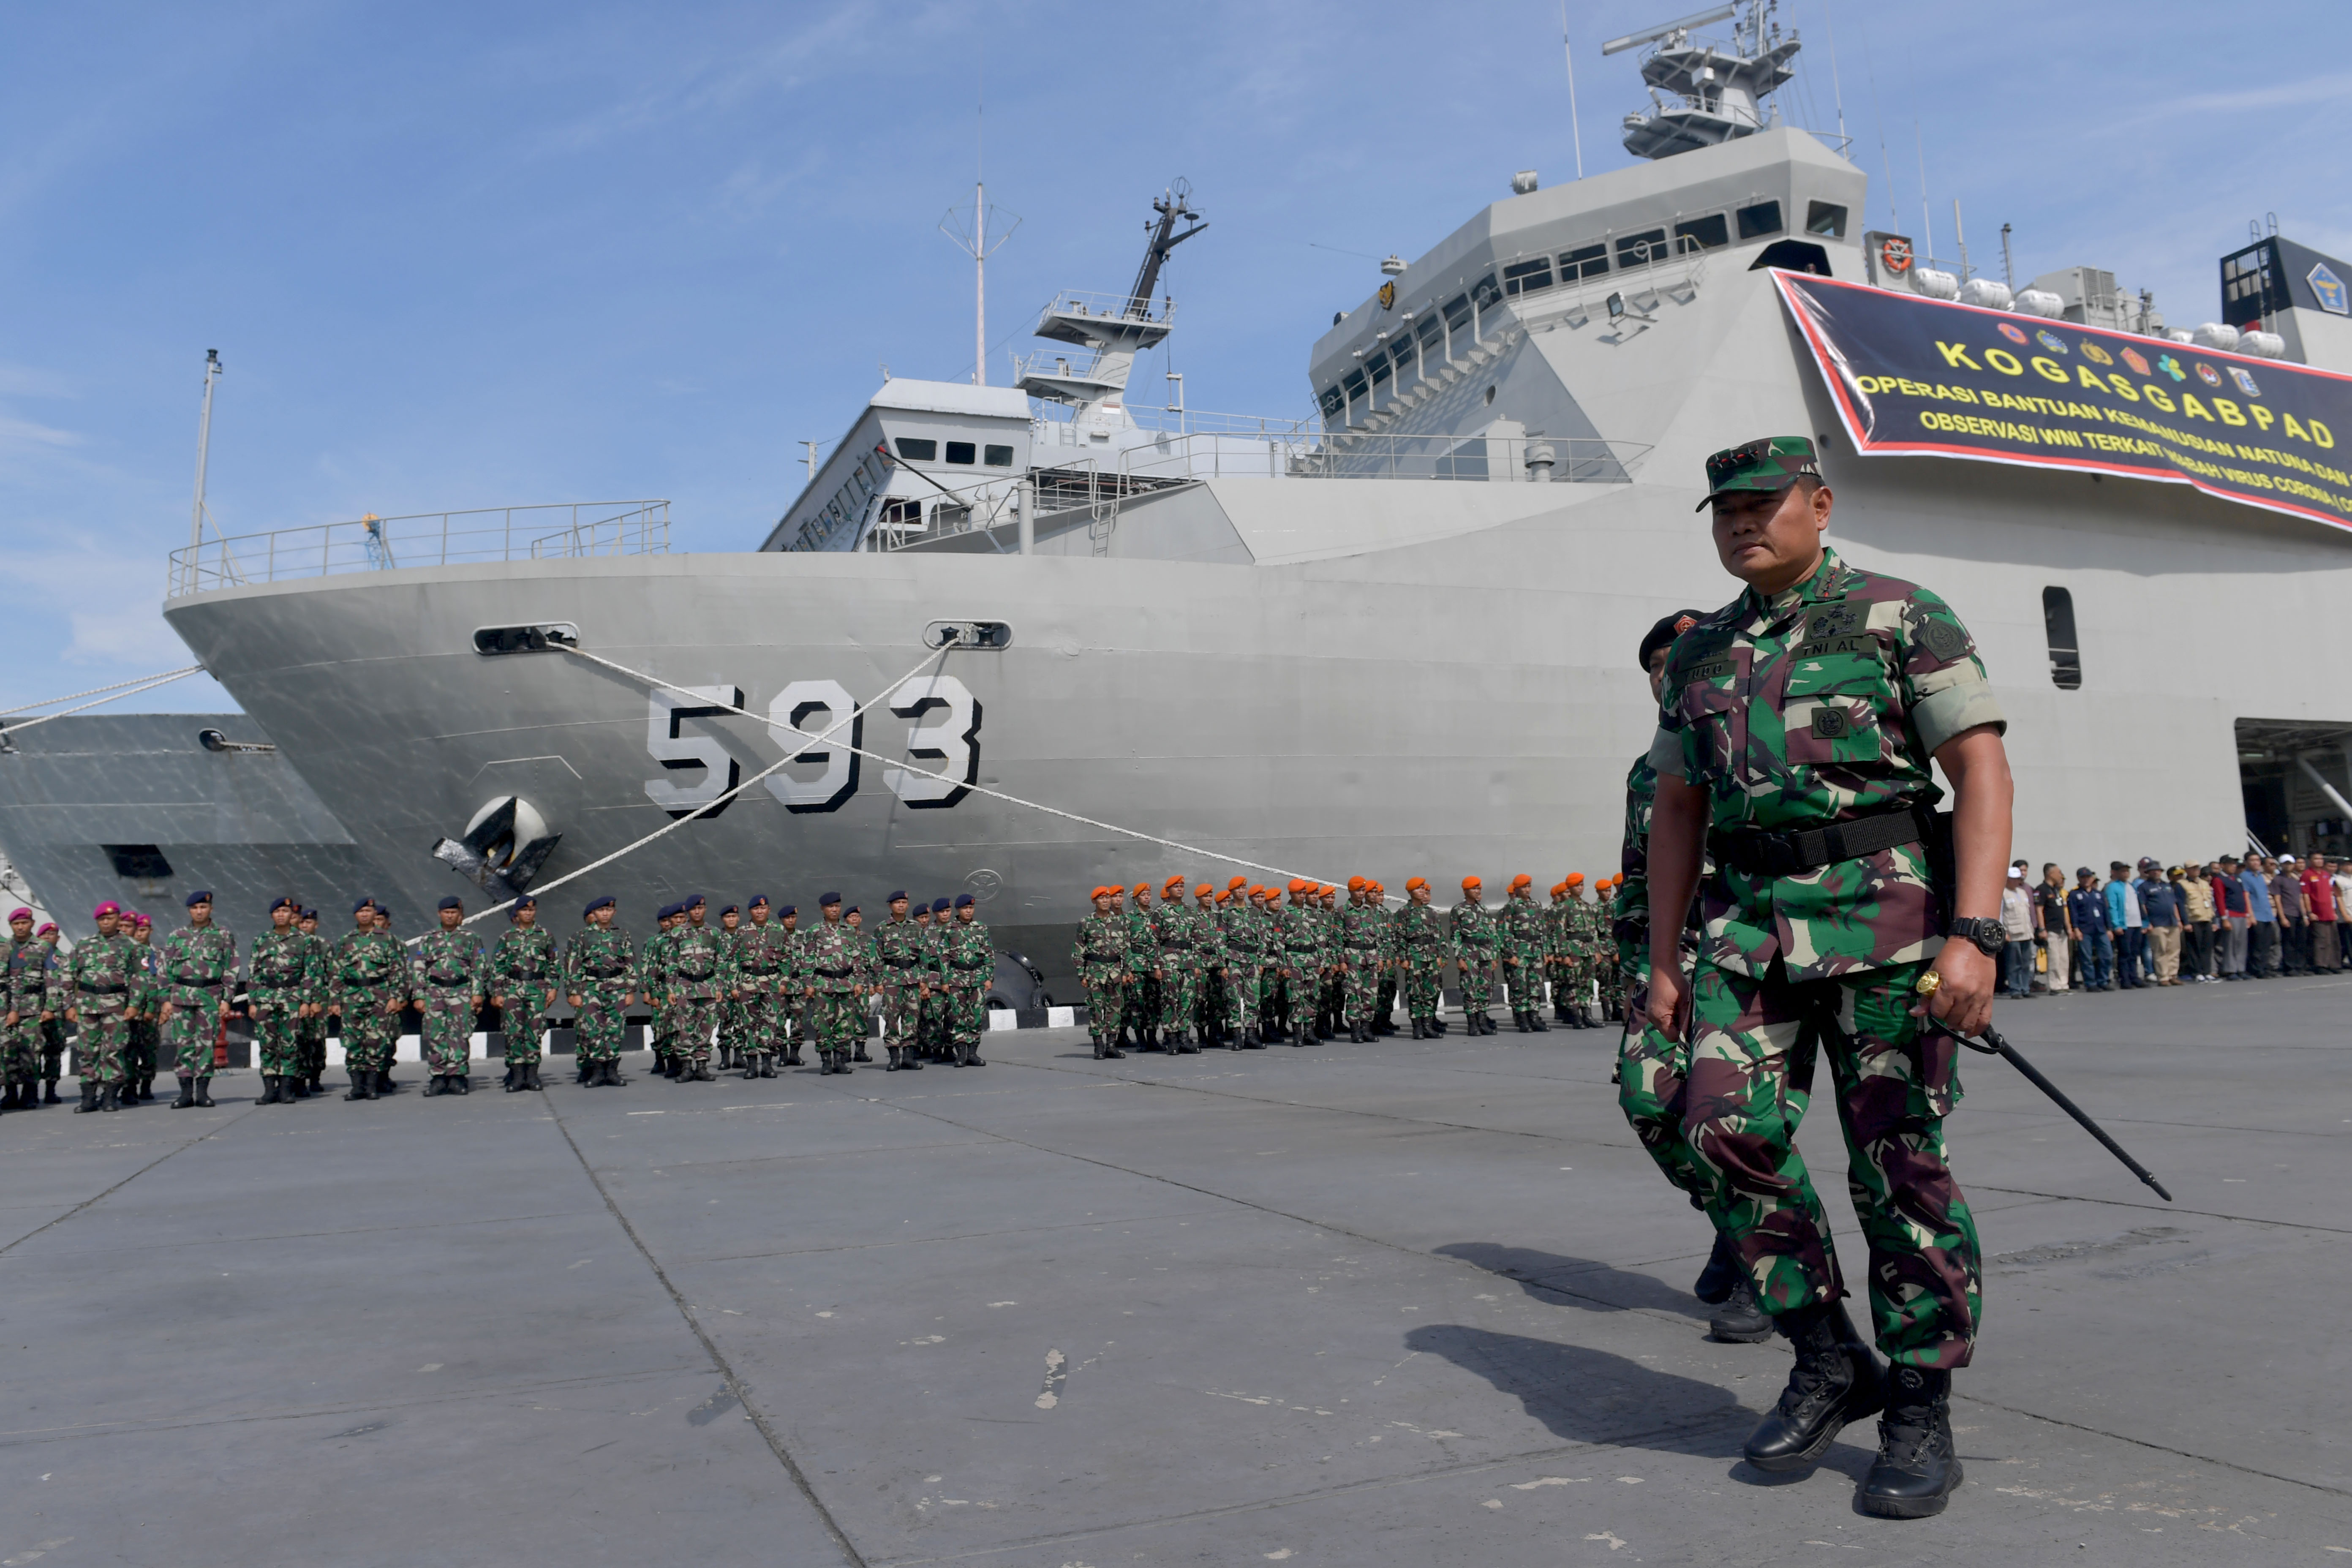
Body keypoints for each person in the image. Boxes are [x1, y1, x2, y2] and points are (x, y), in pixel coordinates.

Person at [1644, 436, 2007, 1517]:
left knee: (1897, 1169)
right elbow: (1675, 809)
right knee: (1711, 1128)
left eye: (1763, 504)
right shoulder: (1700, 653)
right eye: (1723, 510)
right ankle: (1823, 1350)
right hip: (1748, 932)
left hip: (1888, 929)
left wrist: (1975, 932)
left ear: (1819, 503)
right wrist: (1663, 960)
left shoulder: (1901, 614)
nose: (1741, 523)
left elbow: (1977, 764)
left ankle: (1917, 1398)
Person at [1613, 606, 1769, 1343]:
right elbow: (1635, 877)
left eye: (1674, 663)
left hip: (1745, 959)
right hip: (1668, 969)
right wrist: (1637, 966)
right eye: (1653, 667)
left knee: (1733, 1116)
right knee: (1648, 1101)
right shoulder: (1646, 773)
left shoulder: (1756, 745)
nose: (1661, 676)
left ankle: (1759, 1265)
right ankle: (1727, 1217)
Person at [157, 890, 237, 1108]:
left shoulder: (222, 935)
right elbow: (166, 970)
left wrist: (227, 999)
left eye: (203, 907)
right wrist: (166, 999)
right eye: (195, 908)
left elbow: (231, 968)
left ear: (211, 909)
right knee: (184, 1046)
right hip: (181, 998)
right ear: (190, 911)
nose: (199, 912)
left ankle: (202, 1093)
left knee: (206, 1046)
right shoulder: (177, 936)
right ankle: (185, 1094)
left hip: (209, 997)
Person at [67, 904, 144, 1112]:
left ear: (118, 919)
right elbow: (68, 976)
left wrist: (135, 1005)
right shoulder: (83, 945)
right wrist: (68, 1006)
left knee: (114, 1050)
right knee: (87, 1051)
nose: (107, 923)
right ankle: (88, 1098)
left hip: (116, 1005)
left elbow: (140, 977)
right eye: (102, 919)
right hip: (87, 1005)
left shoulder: (131, 945)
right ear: (97, 921)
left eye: (111, 919)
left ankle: (110, 1097)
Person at [247, 897, 319, 1104]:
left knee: (290, 1044)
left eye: (285, 912)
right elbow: (254, 972)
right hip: (265, 998)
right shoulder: (261, 940)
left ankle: (287, 1089)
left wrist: (306, 1001)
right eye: (277, 912)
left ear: (292, 916)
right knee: (267, 1044)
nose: (281, 915)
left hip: (292, 997)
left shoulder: (303, 940)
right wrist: (252, 1002)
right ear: (272, 915)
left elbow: (310, 972)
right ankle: (270, 1090)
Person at [411, 896, 485, 1094]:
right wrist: (419, 995)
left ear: (459, 915)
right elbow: (419, 968)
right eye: (446, 913)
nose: (450, 916)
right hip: (435, 992)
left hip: (461, 991)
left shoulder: (471, 938)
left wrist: (477, 993)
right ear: (440, 914)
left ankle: (457, 1076)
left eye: (454, 913)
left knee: (459, 1034)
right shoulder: (428, 938)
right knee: (435, 1034)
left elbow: (479, 967)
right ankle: (438, 1077)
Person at [563, 896, 638, 1086]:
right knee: (594, 1030)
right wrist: (574, 992)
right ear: (594, 914)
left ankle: (612, 1071)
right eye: (601, 911)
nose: (605, 914)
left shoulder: (622, 935)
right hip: (591, 988)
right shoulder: (581, 937)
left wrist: (631, 990)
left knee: (616, 1030)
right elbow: (573, 965)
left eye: (609, 910)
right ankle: (597, 1071)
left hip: (617, 986)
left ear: (614, 912)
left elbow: (630, 963)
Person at [489, 895, 557, 1090]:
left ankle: (533, 1076)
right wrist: (498, 992)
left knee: (534, 1031)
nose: (528, 913)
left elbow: (554, 964)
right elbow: (498, 966)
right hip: (513, 989)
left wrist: (553, 988)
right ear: (517, 913)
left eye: (531, 910)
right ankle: (518, 1076)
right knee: (514, 1033)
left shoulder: (545, 935)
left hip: (537, 988)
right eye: (524, 910)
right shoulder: (507, 938)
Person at [1, 907, 57, 1111]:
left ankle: (30, 1094)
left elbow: (51, 979)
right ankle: (11, 1094)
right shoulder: (6, 947)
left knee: (31, 1051)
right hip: (8, 1008)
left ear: (32, 924)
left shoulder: (43, 948)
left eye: (24, 923)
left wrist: (50, 1007)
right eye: (16, 924)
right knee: (9, 1052)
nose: (20, 927)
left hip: (34, 1007)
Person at [1073, 887, 1132, 1059]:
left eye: (1108, 898)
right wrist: (1081, 975)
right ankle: (1099, 1046)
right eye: (1102, 899)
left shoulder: (1120, 922)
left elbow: (1126, 949)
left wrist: (1126, 971)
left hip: (1115, 971)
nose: (1106, 901)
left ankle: (1112, 1045)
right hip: (1095, 972)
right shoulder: (1086, 923)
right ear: (1094, 902)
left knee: (1115, 1009)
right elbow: (1078, 951)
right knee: (1097, 1009)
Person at [874, 892, 929, 1072]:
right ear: (890, 906)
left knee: (912, 1018)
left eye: (904, 902)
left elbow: (924, 955)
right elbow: (877, 957)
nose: (901, 906)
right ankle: (894, 1058)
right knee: (891, 1018)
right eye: (898, 903)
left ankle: (908, 1058)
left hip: (913, 977)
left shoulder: (916, 927)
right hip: (892, 978)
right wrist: (878, 981)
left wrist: (924, 980)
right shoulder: (882, 929)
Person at [939, 893, 993, 1065]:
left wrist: (989, 977)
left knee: (976, 1016)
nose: (969, 911)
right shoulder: (949, 930)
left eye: (971, 908)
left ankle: (973, 1054)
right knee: (958, 1016)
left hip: (977, 978)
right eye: (965, 908)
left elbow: (989, 954)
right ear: (958, 910)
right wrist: (945, 980)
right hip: (957, 978)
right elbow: (944, 957)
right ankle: (961, 1054)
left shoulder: (981, 928)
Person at [1451, 877, 1498, 1034]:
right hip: (1469, 953)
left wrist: (1494, 956)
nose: (1478, 891)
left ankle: (1483, 1020)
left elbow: (1492, 934)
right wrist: (1460, 957)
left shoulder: (1483, 909)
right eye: (1474, 889)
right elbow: (1455, 935)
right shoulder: (1458, 910)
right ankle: (1472, 1023)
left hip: (1485, 953)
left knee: (1485, 988)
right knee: (1470, 989)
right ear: (1466, 891)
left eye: (1479, 889)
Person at [2134, 859, 2183, 986]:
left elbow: (2174, 904)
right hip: (2157, 923)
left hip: (2172, 922)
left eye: (2158, 870)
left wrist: (2178, 920)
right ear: (2148, 872)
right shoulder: (2144, 887)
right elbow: (2143, 905)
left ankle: (2173, 974)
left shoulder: (2167, 886)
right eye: (2153, 871)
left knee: (2174, 950)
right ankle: (2163, 976)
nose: (2156, 873)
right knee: (2160, 950)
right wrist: (2147, 922)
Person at [2068, 868, 2111, 991]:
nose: (2086, 880)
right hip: (2085, 929)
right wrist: (2076, 929)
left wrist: (2109, 929)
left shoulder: (2098, 894)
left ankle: (2103, 980)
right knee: (2087, 958)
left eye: (2088, 877)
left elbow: (2105, 912)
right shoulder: (2075, 894)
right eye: (2083, 877)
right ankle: (2091, 983)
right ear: (2079, 879)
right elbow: (2074, 913)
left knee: (2107, 955)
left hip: (2100, 929)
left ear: (2092, 879)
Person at [2032, 864, 2072, 995]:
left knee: (2064, 959)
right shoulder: (2042, 890)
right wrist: (2042, 928)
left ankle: (2063, 984)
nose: (2061, 875)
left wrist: (2069, 928)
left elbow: (2063, 910)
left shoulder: (2057, 890)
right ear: (2050, 874)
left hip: (2062, 930)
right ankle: (2055, 986)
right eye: (2059, 873)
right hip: (2051, 930)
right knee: (2054, 959)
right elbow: (2039, 910)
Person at [1998, 865, 2036, 999]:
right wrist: (2004, 932)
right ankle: (2015, 989)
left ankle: (2025, 988)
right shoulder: (2003, 893)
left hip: (2026, 933)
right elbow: (2001, 914)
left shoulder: (2023, 892)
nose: (2016, 881)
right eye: (2013, 879)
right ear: (2007, 879)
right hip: (2013, 934)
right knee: (2014, 964)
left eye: (2018, 879)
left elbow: (2028, 913)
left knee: (2026, 963)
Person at [2177, 864, 2216, 983]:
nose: (2197, 871)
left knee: (2207, 947)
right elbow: (2181, 904)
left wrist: (2214, 921)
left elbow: (2211, 902)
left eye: (2198, 869)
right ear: (2187, 871)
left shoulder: (2204, 883)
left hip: (2206, 918)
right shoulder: (2182, 885)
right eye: (2193, 869)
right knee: (2194, 948)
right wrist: (2186, 922)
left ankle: (2207, 971)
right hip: (2193, 920)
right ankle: (2197, 972)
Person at [2240, 857, 2278, 977]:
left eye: (2257, 860)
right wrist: (2250, 915)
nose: (2256, 863)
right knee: (2257, 945)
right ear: (2246, 862)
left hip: (2267, 913)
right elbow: (2246, 896)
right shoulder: (2245, 876)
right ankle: (2257, 969)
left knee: (2267, 943)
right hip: (2256, 914)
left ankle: (2265, 967)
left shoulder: (2261, 876)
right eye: (2252, 860)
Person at [2304, 857, 2341, 972]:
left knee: (2333, 940)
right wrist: (2309, 912)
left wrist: (2334, 911)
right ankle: (2321, 965)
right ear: (2311, 861)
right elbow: (2305, 895)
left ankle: (2334, 965)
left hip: (2329, 912)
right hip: (2317, 913)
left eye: (2321, 859)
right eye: (2316, 859)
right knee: (2321, 940)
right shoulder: (2307, 874)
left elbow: (2331, 894)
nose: (2319, 861)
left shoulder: (2326, 875)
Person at [2271, 857, 2308, 976]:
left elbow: (2300, 898)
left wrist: (2305, 915)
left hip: (2299, 914)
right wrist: (2282, 917)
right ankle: (2290, 967)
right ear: (2281, 865)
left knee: (2301, 941)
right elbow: (2277, 899)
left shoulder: (2295, 880)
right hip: (2288, 913)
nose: (2288, 866)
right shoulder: (2278, 880)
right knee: (2289, 942)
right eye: (2286, 864)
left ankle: (2301, 966)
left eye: (2291, 864)